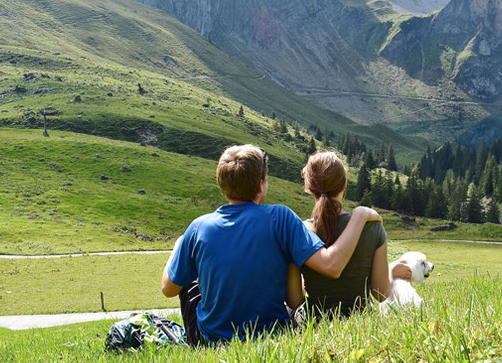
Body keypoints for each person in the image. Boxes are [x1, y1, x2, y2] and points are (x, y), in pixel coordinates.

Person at [160, 144, 383, 345]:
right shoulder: (281, 217)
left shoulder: (198, 227)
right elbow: (328, 266)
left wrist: (180, 244)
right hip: (273, 333)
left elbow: (168, 289)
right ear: (261, 185)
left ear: (222, 185)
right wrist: (360, 216)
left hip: (212, 341)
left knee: (189, 284)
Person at [291, 151, 411, 317]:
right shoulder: (372, 227)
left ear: (309, 188)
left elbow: (295, 301)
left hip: (314, 323)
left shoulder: (299, 231)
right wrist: (389, 270)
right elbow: (381, 293)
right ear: (344, 185)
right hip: (360, 319)